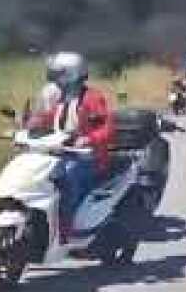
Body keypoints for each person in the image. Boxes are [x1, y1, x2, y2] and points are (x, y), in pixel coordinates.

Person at [27, 52, 115, 243]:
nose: (55, 79)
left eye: (59, 74)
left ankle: (65, 230)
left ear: (73, 74)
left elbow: (106, 129)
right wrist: (31, 126)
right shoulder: (61, 97)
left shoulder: (92, 98)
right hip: (63, 153)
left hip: (88, 158)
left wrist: (88, 139)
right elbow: (48, 118)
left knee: (67, 178)